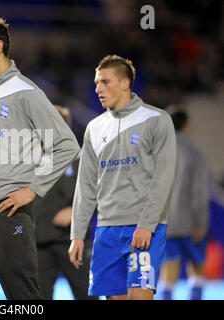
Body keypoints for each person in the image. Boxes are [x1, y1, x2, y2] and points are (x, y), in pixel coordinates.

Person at [0, 16, 80, 300]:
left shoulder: (27, 92)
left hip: (6, 210)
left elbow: (66, 145)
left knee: (23, 296)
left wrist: (32, 189)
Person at [68, 54, 177, 300]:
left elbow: (164, 179)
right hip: (106, 230)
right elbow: (85, 187)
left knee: (139, 297)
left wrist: (147, 224)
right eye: (96, 82)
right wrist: (77, 234)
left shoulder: (157, 120)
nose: (97, 88)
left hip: (144, 227)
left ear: (125, 83)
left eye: (105, 82)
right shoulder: (94, 128)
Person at [34, 105, 97, 300]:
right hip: (38, 243)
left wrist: (74, 211)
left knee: (86, 296)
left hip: (72, 241)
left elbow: (99, 193)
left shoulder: (80, 157)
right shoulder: (30, 159)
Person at [159, 110, 210, 300]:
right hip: (190, 223)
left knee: (168, 272)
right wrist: (201, 222)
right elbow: (199, 192)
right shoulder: (195, 153)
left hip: (166, 223)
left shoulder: (158, 153)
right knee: (197, 269)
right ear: (186, 125)